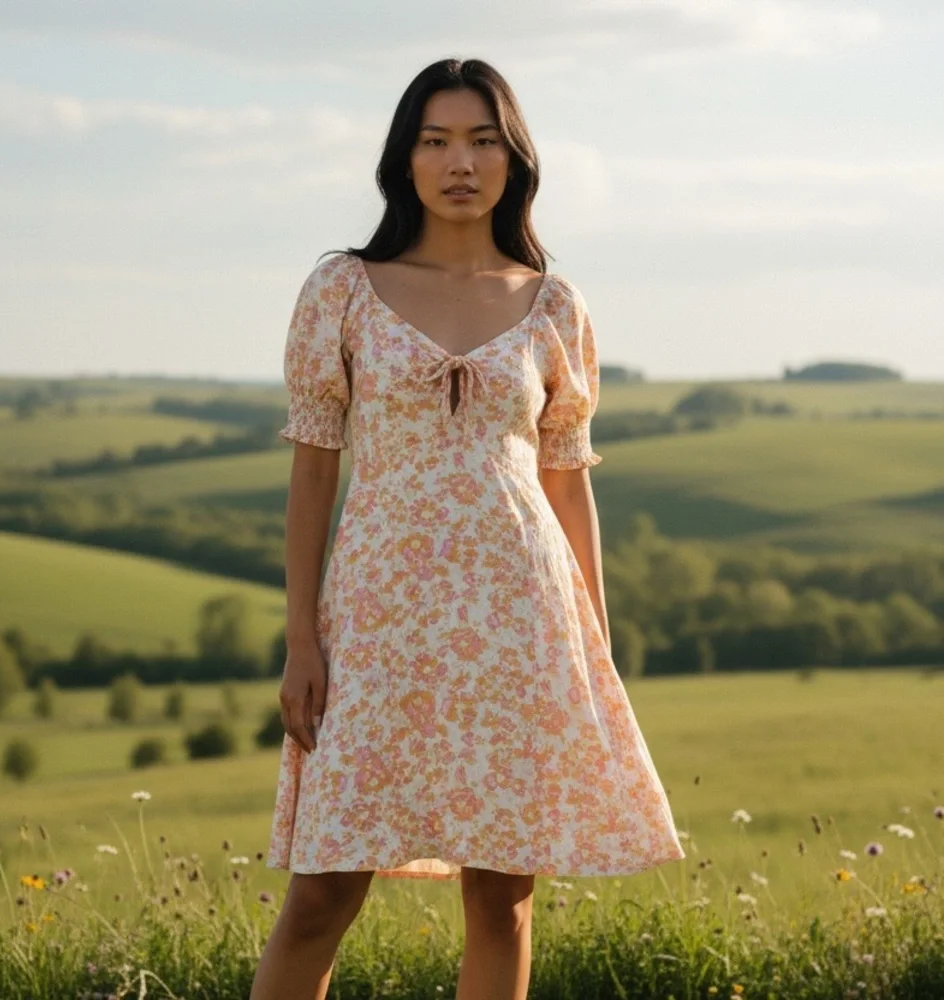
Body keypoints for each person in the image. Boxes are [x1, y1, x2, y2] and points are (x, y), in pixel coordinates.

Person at [250, 56, 685, 1000]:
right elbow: (313, 471)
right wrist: (302, 640)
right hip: (378, 621)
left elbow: (567, 483)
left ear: (513, 159)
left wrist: (594, 647)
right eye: (436, 140)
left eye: (483, 141)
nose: (460, 163)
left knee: (503, 899)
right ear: (403, 159)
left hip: (520, 621)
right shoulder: (342, 288)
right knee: (322, 892)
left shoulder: (554, 303)